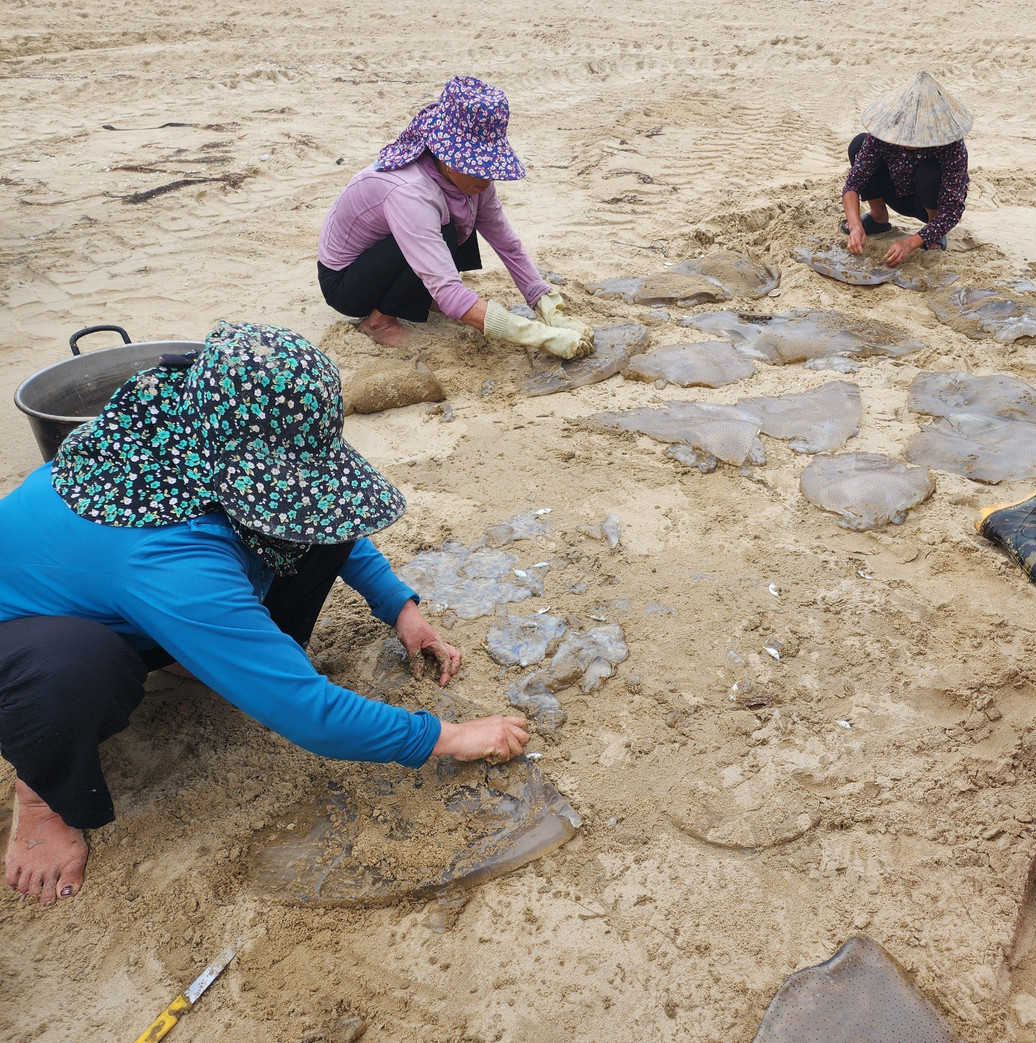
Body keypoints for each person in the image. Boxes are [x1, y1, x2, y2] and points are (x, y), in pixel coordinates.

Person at [0, 321, 531, 907]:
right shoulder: (171, 557)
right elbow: (304, 711)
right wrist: (447, 736)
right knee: (76, 668)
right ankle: (41, 799)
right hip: (27, 644)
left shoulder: (191, 423)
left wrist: (401, 609)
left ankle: (192, 655)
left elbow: (324, 512)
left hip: (125, 597)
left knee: (319, 523)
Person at [318, 75, 594, 357]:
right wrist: (538, 335)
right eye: (478, 168)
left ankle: (420, 297)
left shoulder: (472, 181)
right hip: (347, 281)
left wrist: (548, 307)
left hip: (392, 249)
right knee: (446, 232)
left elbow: (506, 243)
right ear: (448, 158)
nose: (487, 179)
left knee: (461, 216)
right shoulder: (411, 192)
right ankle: (379, 321)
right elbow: (450, 293)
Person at [841, 71, 972, 267]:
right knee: (858, 143)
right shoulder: (884, 133)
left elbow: (952, 211)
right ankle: (878, 217)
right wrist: (855, 226)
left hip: (925, 203)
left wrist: (910, 243)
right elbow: (853, 183)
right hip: (893, 190)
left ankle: (933, 232)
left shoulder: (952, 147)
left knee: (930, 171)